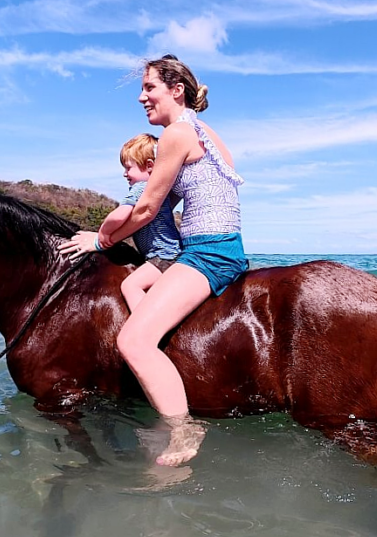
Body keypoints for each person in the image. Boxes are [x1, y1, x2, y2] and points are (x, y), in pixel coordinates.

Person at [58, 54, 247, 466]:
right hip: (221, 245)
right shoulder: (205, 132)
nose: (142, 98)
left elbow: (145, 209)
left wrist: (99, 243)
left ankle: (184, 431)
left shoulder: (177, 136)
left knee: (133, 340)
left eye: (149, 88)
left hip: (208, 252)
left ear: (175, 90)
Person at [98, 133, 182, 311]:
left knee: (130, 286)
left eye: (128, 168)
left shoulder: (142, 188)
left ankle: (143, 327)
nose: (124, 174)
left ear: (150, 166)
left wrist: (103, 234)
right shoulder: (157, 189)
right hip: (170, 255)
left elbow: (120, 216)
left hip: (164, 257)